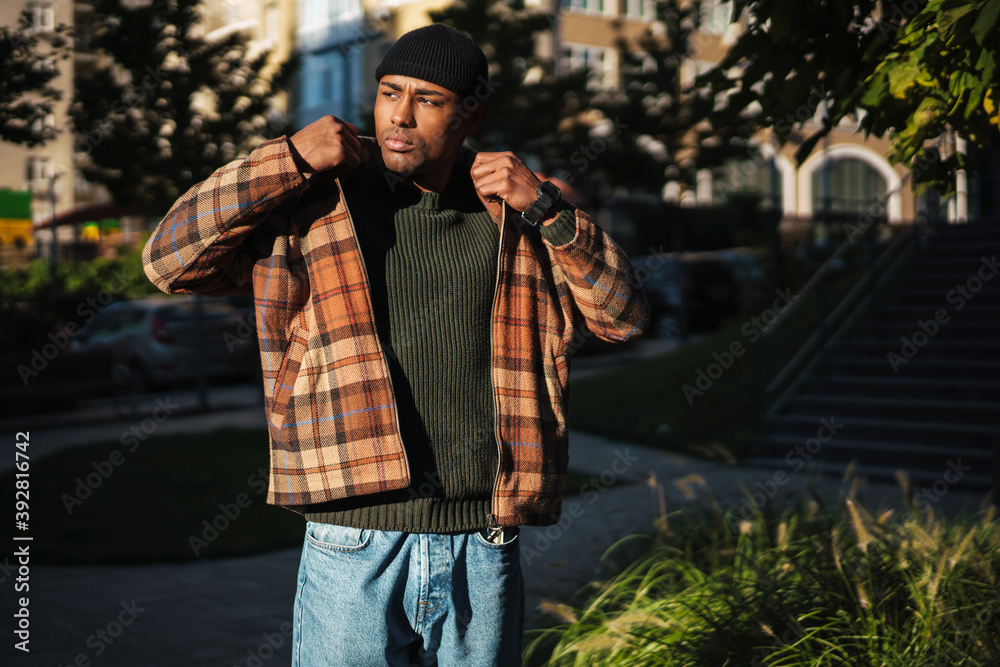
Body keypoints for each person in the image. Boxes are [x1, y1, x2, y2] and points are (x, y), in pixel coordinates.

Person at [142, 23, 648, 667]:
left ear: (472, 114)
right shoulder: (316, 199)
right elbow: (168, 262)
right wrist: (285, 158)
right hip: (352, 537)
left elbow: (623, 317)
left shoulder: (513, 213)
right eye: (389, 93)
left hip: (482, 540)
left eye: (428, 100)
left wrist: (547, 208)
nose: (400, 116)